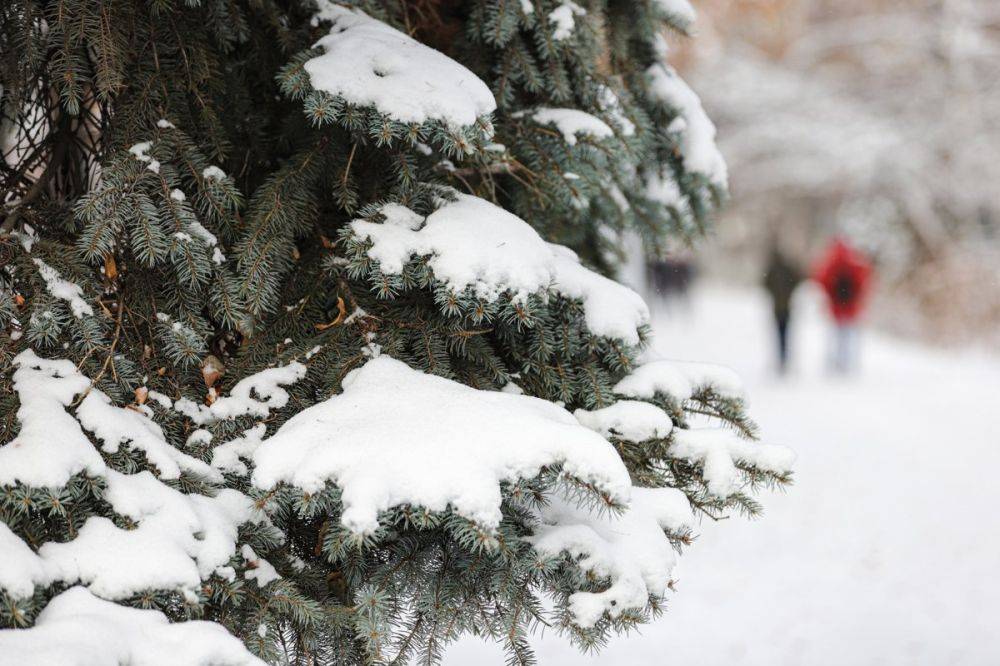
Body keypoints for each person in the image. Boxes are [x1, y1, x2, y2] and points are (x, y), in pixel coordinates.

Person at [812, 237, 872, 372]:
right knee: (849, 336)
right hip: (851, 308)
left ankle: (834, 362)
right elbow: (863, 281)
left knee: (834, 335)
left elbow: (821, 280)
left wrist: (829, 297)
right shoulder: (854, 263)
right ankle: (848, 362)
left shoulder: (831, 263)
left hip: (835, 308)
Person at [763, 246, 802, 374]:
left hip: (779, 308)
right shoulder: (786, 270)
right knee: (785, 334)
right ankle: (784, 358)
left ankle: (782, 358)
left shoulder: (774, 270)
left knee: (780, 334)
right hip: (785, 307)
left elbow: (765, 283)